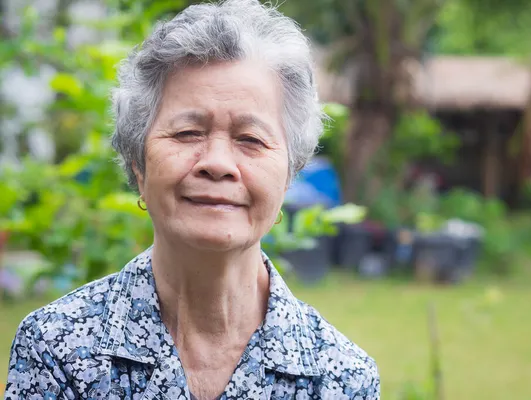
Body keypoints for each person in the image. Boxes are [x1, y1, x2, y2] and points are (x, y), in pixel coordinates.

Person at [4, 1, 380, 399]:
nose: (217, 164)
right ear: (138, 164)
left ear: (289, 174)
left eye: (250, 139)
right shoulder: (55, 347)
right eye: (187, 133)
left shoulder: (340, 378)